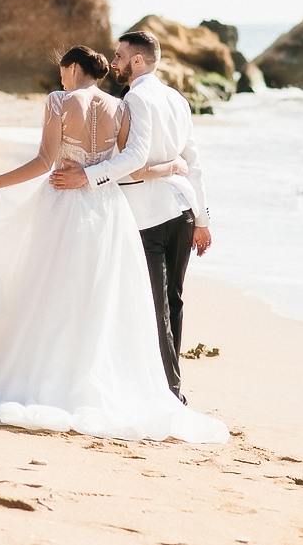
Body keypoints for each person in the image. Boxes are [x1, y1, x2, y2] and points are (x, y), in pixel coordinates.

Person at [0, 45, 227, 443]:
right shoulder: (120, 107)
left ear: (73, 67)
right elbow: (132, 161)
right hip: (108, 211)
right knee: (97, 299)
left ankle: (47, 380)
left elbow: (43, 163)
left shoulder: (58, 101)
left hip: (63, 205)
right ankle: (91, 382)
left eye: (62, 71)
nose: (60, 79)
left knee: (49, 292)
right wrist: (171, 167)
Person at [50, 30, 211, 404]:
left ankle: (169, 393)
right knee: (173, 303)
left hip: (148, 214)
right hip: (183, 211)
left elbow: (134, 160)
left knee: (154, 306)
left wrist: (87, 176)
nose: (115, 62)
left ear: (138, 61)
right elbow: (194, 162)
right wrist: (203, 219)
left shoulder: (135, 99)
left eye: (120, 56)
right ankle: (171, 387)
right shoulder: (177, 99)